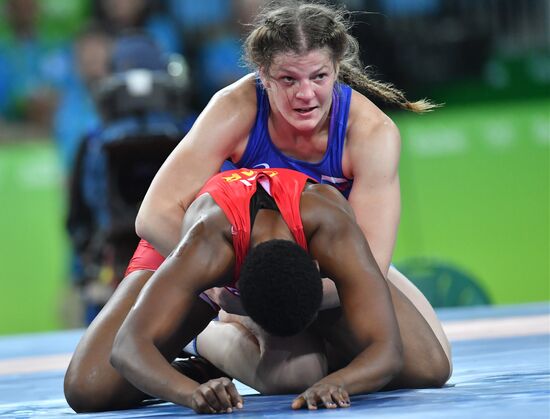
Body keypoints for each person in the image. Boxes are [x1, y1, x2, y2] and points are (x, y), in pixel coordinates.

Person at [133, 0, 451, 381]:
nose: (306, 95)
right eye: (289, 80)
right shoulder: (236, 108)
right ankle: (206, 340)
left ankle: (316, 342)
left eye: (318, 77)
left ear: (336, 69)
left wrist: (295, 292)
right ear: (264, 75)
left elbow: (374, 261)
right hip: (250, 261)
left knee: (430, 367)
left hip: (329, 268)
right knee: (294, 375)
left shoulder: (370, 133)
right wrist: (230, 282)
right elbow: (153, 214)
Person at [65, 167, 448, 414]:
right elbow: (126, 348)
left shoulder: (329, 224)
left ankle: (337, 304)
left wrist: (338, 381)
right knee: (90, 389)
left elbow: (389, 351)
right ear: (236, 300)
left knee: (427, 368)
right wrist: (188, 394)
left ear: (316, 271)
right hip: (181, 242)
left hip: (292, 265)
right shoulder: (206, 248)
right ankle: (203, 345)